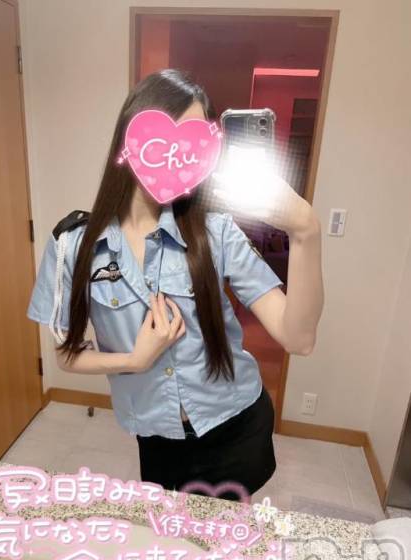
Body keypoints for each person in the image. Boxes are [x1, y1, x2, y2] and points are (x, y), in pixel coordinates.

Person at [27, 68, 324, 502]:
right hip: (158, 438)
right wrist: (134, 359)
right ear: (131, 139)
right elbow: (66, 355)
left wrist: (305, 231)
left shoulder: (216, 232)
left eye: (196, 144)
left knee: (226, 539)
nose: (180, 155)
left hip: (236, 425)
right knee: (171, 534)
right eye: (167, 140)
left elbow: (299, 339)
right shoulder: (73, 245)